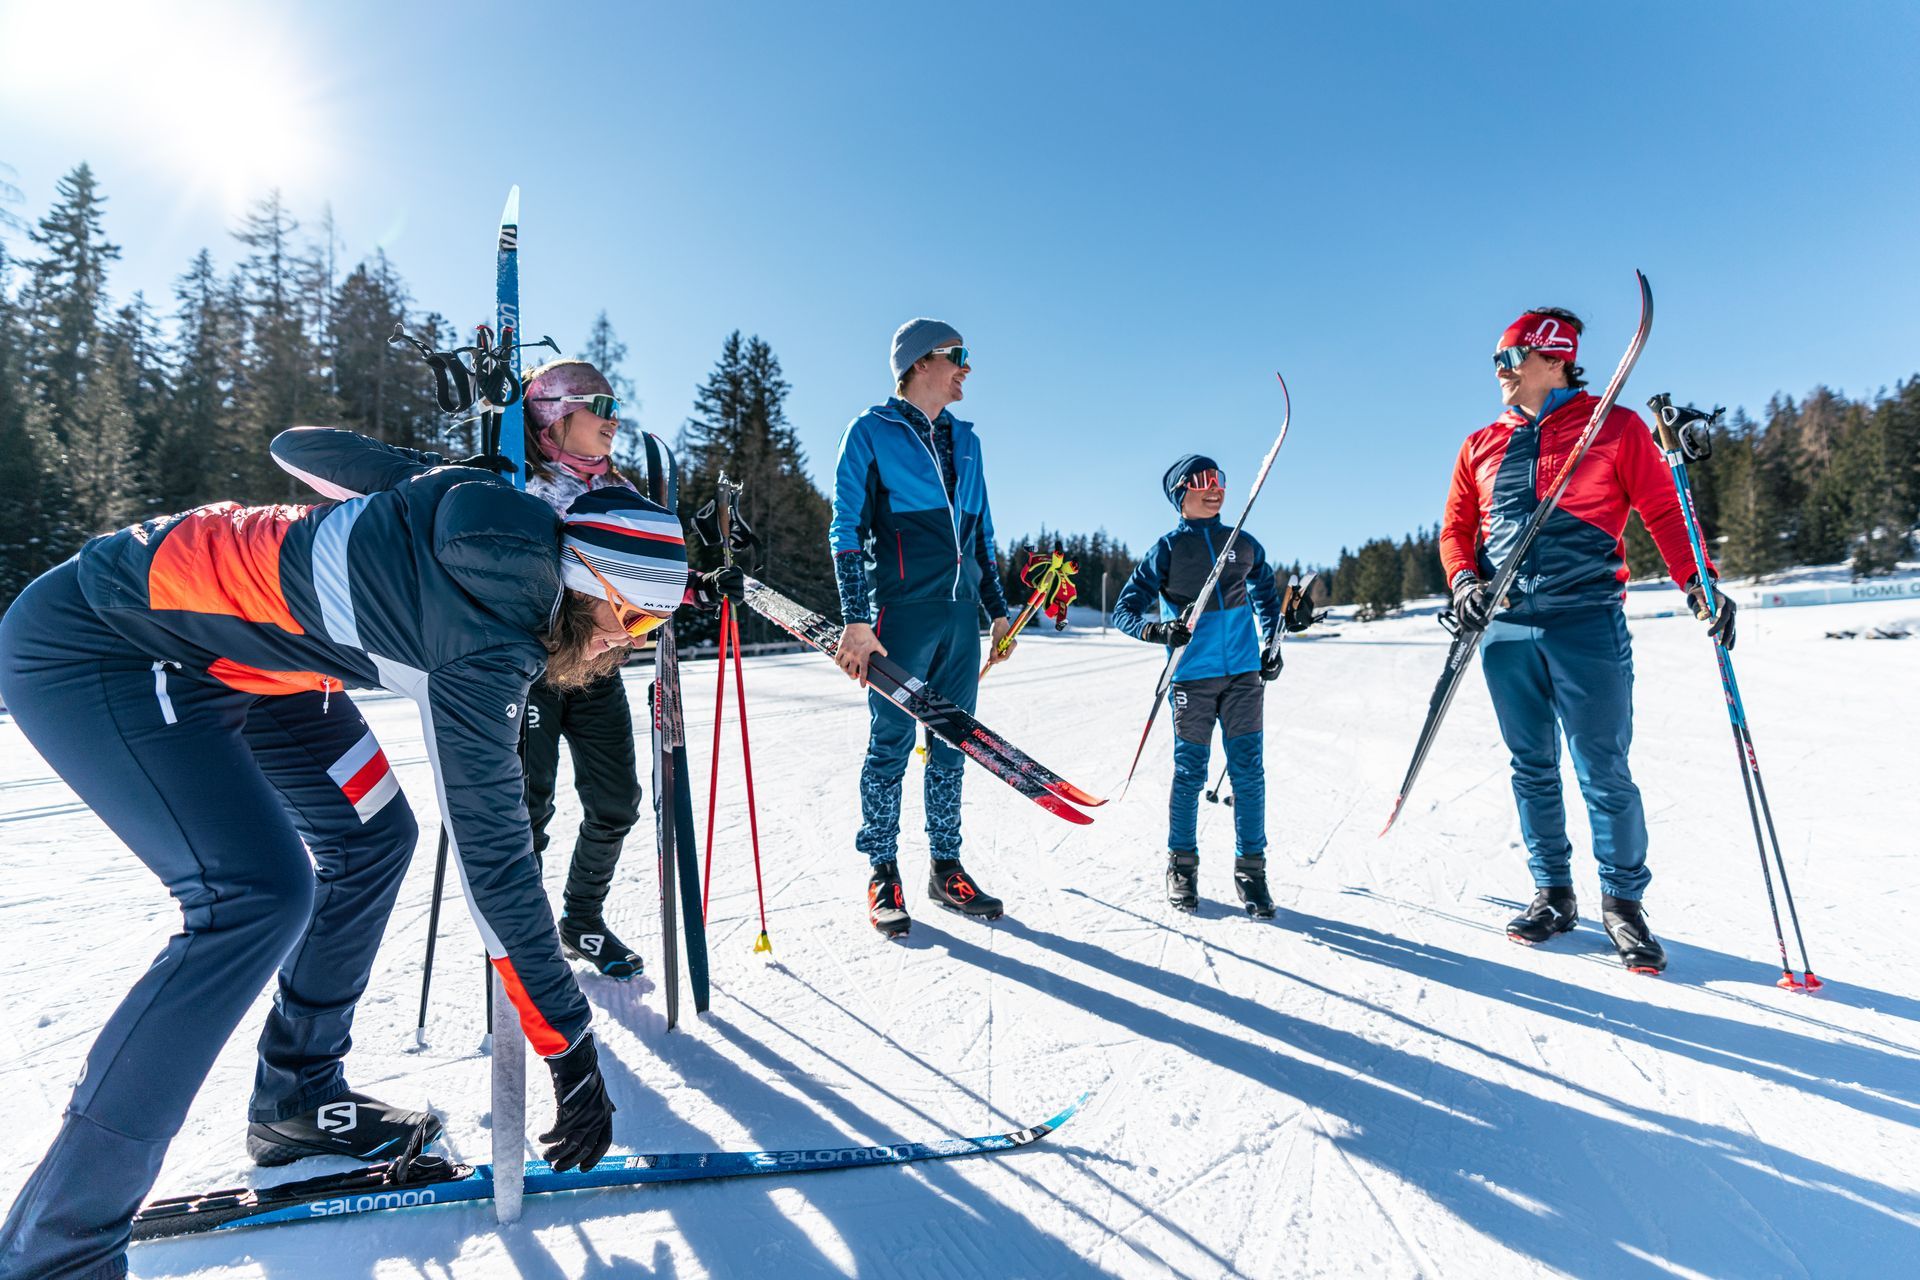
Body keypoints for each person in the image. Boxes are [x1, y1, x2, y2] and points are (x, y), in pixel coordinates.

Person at [0, 427, 733, 1279]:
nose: (628, 642)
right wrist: (568, 1042)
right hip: (110, 643)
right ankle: (57, 1246)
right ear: (583, 583)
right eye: (635, 617)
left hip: (246, 657)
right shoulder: (487, 646)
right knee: (252, 897)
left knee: (374, 837)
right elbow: (496, 863)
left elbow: (297, 447)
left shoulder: (477, 499)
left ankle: (296, 1098)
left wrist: (422, 481)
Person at [1440, 307, 1734, 973]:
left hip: (1587, 620)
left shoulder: (1615, 427)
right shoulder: (1479, 444)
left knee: (1603, 767)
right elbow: (1458, 530)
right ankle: (1553, 894)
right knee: (1531, 767)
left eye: (1509, 357)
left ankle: (1623, 905)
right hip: (1507, 629)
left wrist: (1698, 582)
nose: (1499, 371)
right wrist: (1463, 584)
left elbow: (1662, 508)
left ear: (1553, 357)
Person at [829, 318, 1015, 938]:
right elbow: (845, 532)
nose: (966, 367)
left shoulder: (969, 441)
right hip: (900, 615)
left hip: (960, 618)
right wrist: (856, 620)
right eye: (956, 354)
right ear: (918, 363)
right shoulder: (871, 432)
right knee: (888, 748)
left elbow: (982, 536)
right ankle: (883, 872)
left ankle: (946, 868)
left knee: (953, 746)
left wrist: (998, 609)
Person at [1112, 455, 1298, 917]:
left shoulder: (1242, 543)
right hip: (1192, 678)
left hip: (1241, 676)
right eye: (1200, 482)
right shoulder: (1168, 550)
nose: (1213, 488)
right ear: (1181, 494)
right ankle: (1182, 867)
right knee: (1191, 772)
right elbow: (1124, 610)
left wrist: (1271, 645)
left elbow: (1266, 597)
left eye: (1218, 480)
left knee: (1249, 772)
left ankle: (1251, 872)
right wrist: (1157, 631)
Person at [517, 358, 649, 978]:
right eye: (598, 407)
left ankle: (582, 921)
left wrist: (697, 580)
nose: (612, 420)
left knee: (618, 801)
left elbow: (647, 576)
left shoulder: (618, 494)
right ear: (554, 414)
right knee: (527, 812)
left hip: (598, 668)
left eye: (614, 407)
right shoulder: (517, 485)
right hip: (533, 671)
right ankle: (528, 936)